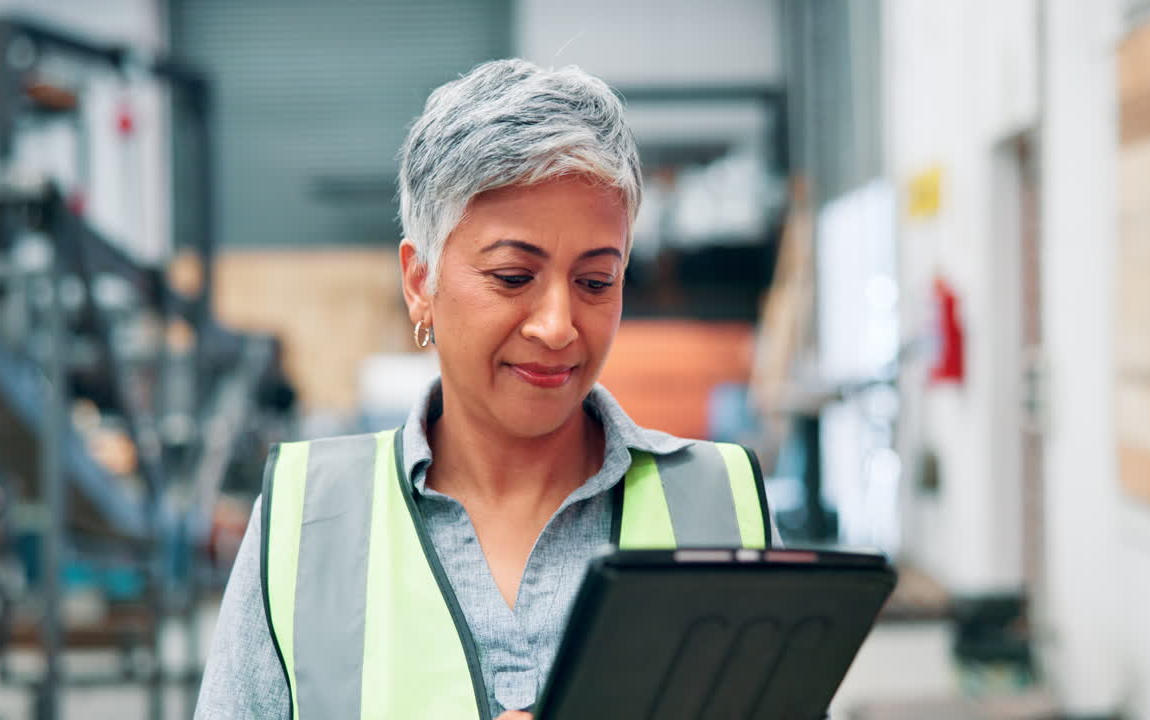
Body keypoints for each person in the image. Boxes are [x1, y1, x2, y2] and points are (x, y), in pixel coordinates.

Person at [194, 58, 774, 720]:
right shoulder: (308, 521)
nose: (558, 327)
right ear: (421, 282)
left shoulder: (722, 506)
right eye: (512, 277)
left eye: (595, 282)